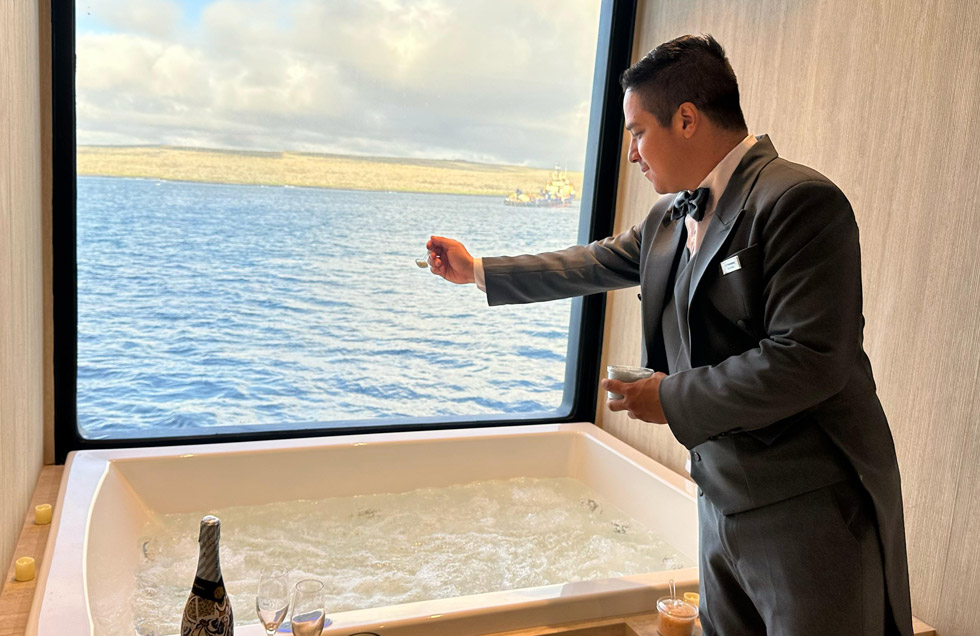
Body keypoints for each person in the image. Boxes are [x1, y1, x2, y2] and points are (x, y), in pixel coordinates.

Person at [425, 33, 912, 636]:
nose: (631, 153)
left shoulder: (798, 201)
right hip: (718, 500)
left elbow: (809, 359)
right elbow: (592, 262)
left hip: (810, 508)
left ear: (686, 119)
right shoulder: (668, 216)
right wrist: (478, 272)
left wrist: (668, 397)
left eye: (636, 132)